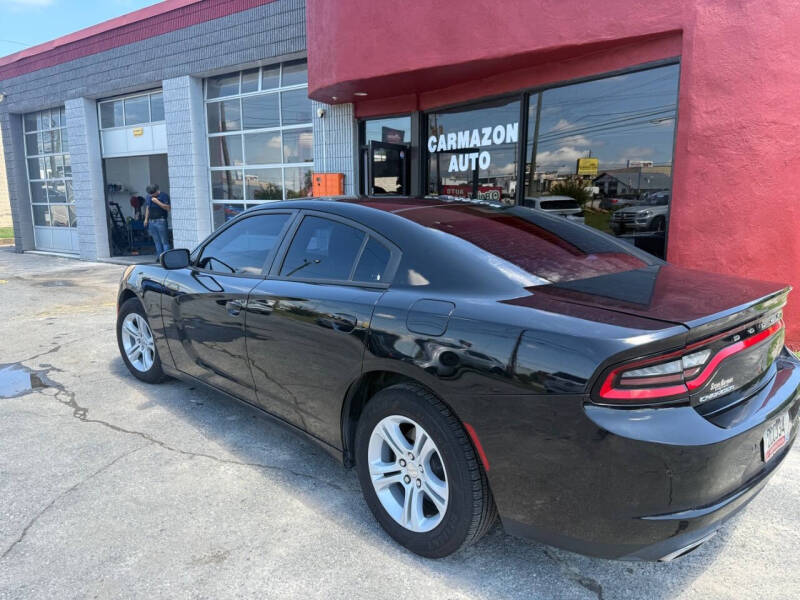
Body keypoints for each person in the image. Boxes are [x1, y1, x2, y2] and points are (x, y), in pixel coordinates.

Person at [144, 184, 171, 255]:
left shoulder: (164, 196)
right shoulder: (148, 196)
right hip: (151, 221)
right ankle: (159, 257)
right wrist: (146, 219)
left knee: (164, 241)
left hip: (161, 221)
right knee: (156, 241)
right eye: (150, 194)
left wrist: (157, 202)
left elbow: (168, 208)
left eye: (153, 193)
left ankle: (166, 258)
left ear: (157, 191)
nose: (151, 195)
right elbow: (148, 208)